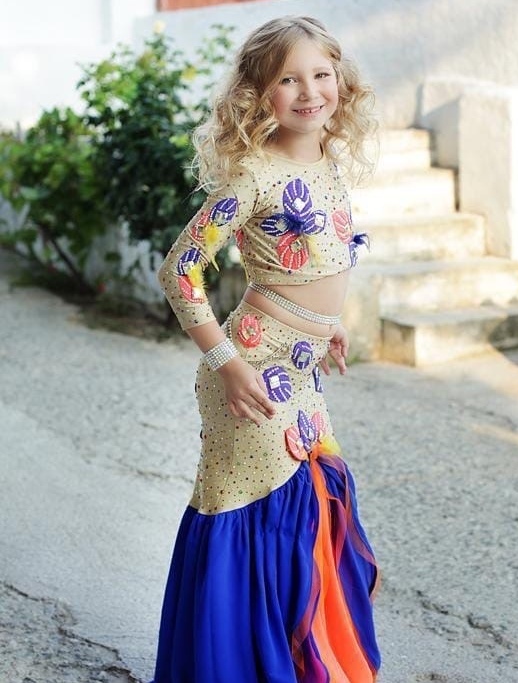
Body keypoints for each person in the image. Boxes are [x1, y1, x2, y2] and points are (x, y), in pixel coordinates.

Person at [151, 15, 381, 683]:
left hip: (301, 372)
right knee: (260, 514)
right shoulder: (253, 175)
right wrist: (224, 362)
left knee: (308, 512)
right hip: (251, 373)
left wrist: (325, 324)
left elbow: (312, 259)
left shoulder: (326, 161)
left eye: (320, 74)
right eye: (288, 79)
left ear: (340, 80)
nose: (309, 92)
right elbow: (179, 271)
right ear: (258, 93)